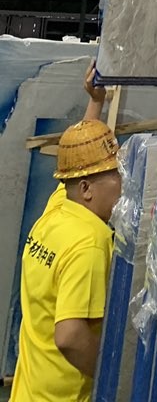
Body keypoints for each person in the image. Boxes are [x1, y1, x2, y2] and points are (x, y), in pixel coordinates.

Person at [11, 63, 122, 402]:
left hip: (29, 393)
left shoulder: (58, 210)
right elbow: (70, 336)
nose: (123, 183)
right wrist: (113, 381)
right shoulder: (90, 242)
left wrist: (96, 101)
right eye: (116, 176)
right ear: (87, 189)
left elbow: (77, 164)